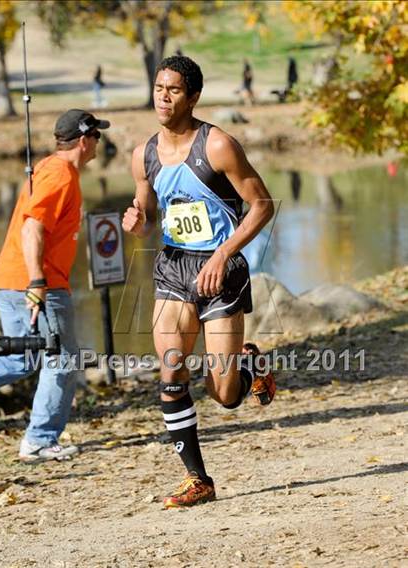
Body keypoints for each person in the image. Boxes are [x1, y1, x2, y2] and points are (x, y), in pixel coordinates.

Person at [122, 56, 275, 508]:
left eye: (172, 90)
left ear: (193, 97)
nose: (163, 97)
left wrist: (225, 252)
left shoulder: (219, 145)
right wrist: (137, 222)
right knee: (171, 370)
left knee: (224, 395)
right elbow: (147, 214)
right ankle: (198, 479)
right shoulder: (143, 153)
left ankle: (249, 366)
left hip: (221, 273)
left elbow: (262, 205)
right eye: (158, 88)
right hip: (173, 268)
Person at [0, 109, 110, 462]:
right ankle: (40, 440)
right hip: (35, 285)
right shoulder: (59, 175)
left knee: (21, 361)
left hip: (9, 280)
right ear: (84, 140)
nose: (100, 143)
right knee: (63, 359)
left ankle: (40, 438)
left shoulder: (49, 168)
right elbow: (32, 228)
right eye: (97, 136)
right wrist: (37, 282)